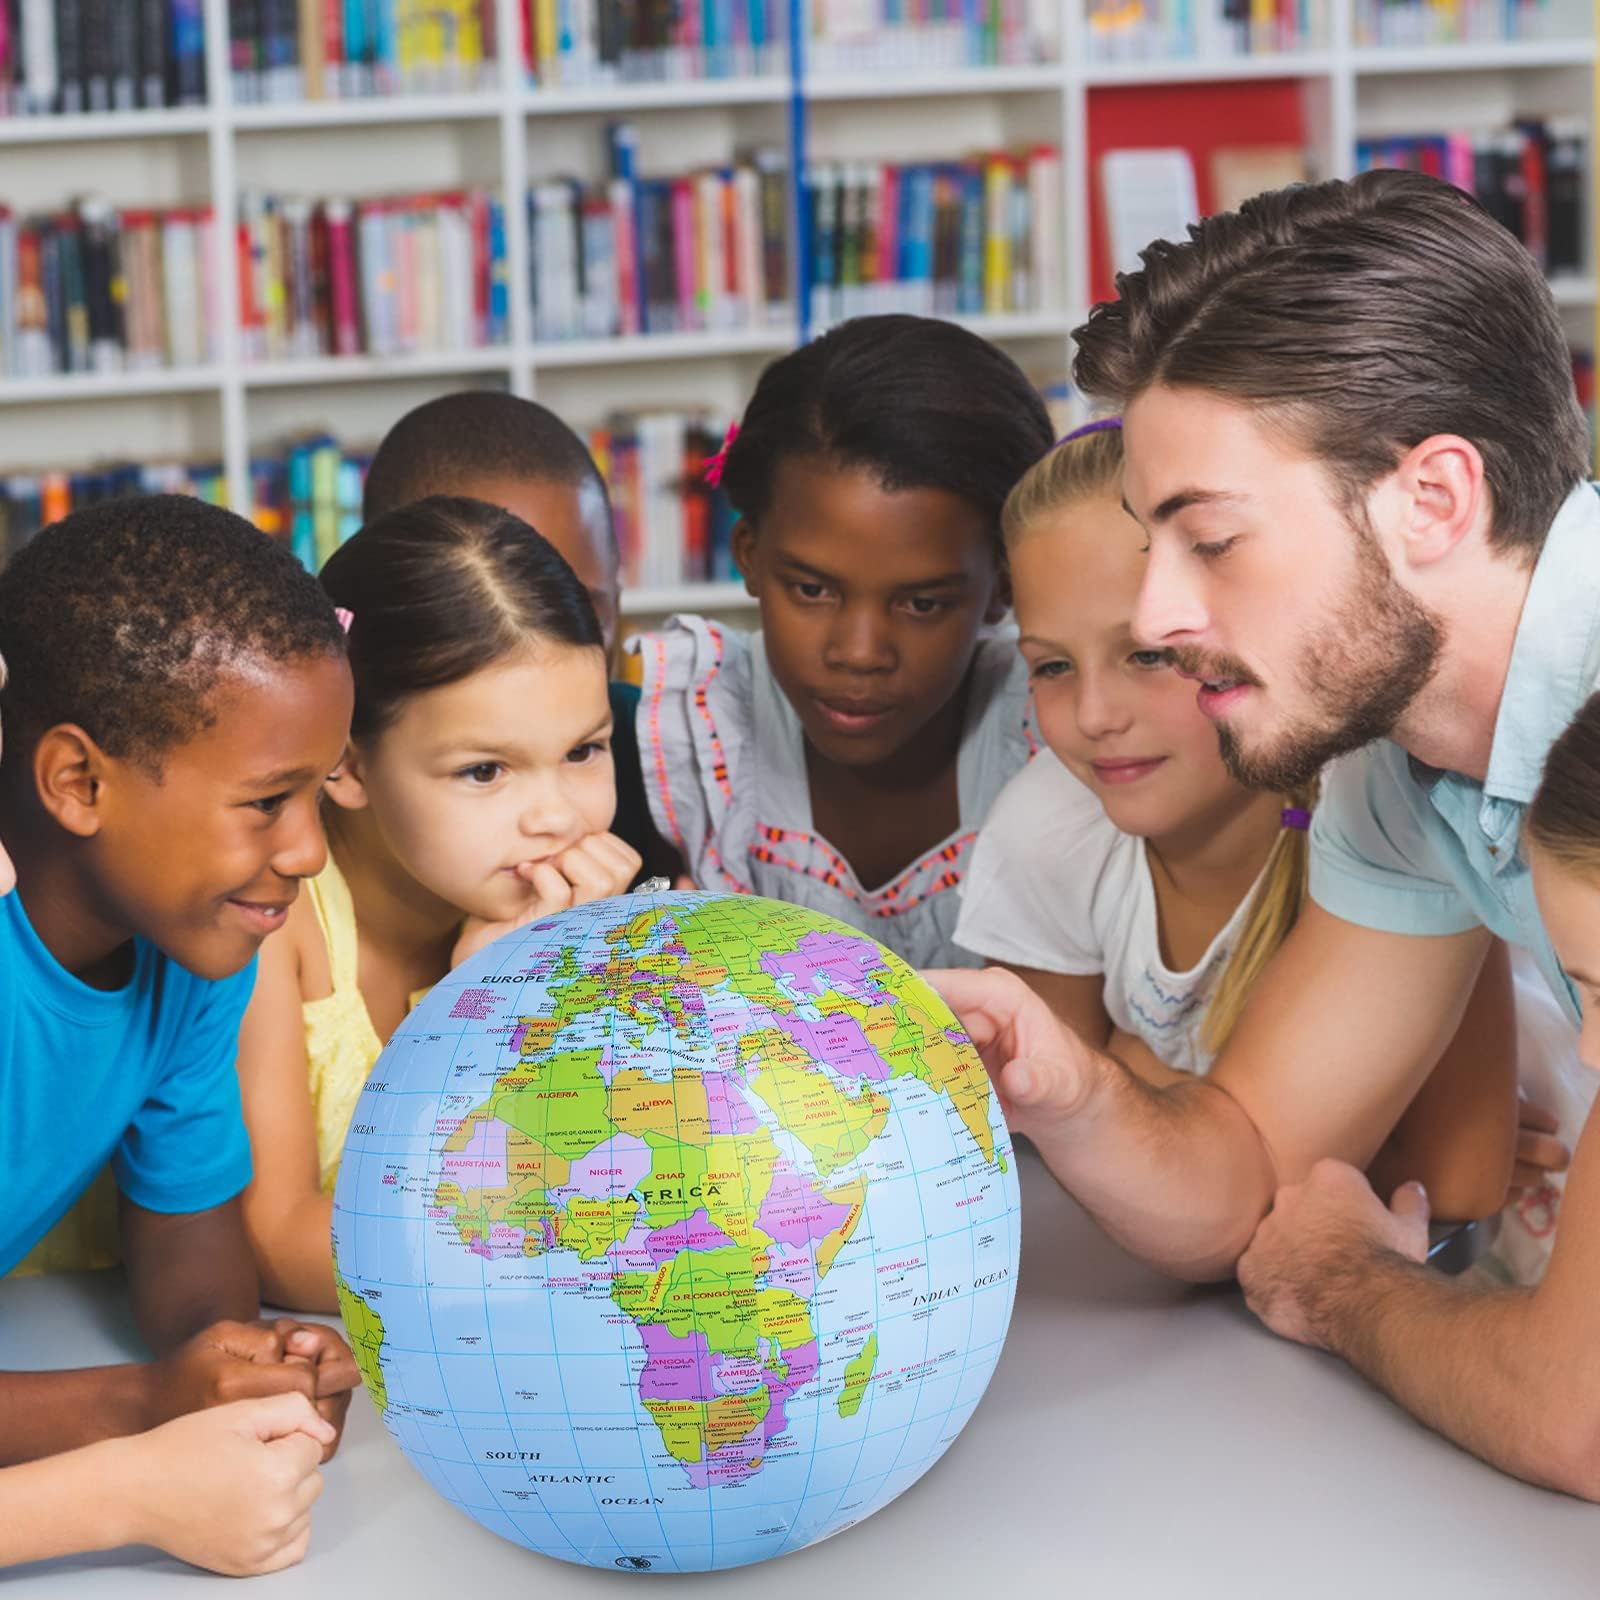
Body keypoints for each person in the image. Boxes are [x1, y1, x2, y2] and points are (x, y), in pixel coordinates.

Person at [929, 169, 1600, 1494]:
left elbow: (1577, 1417)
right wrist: (1078, 1095)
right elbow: (1248, 1171)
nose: (1165, 616)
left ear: (1433, 500)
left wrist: (1349, 1282)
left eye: (1213, 542)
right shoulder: (1401, 767)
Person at [954, 419, 1522, 1218]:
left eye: (1148, 656)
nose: (1093, 715)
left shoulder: (1387, 804)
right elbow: (1049, 1134)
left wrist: (1142, 1082)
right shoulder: (1046, 828)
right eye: (1051, 666)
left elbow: (1454, 1182)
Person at [0, 497, 359, 1462]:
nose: (311, 854)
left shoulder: (198, 952)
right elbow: (147, 1400)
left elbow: (186, 1242)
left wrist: (238, 1361)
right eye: (268, 801)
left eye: (320, 792)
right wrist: (146, 1405)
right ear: (78, 781)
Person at [236, 497, 639, 1314]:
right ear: (345, 765)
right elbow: (274, 1248)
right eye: (485, 771)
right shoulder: (273, 923)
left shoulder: (591, 919)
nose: (557, 815)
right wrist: (479, 1019)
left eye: (583, 751)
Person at [632, 313, 1055, 968]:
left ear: (1005, 585)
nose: (860, 653)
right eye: (811, 591)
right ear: (749, 554)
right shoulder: (696, 739)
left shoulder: (1052, 734)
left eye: (922, 604)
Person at [360, 390, 677, 884]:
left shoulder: (663, 755)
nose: (528, 633)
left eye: (570, 605)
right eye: (470, 606)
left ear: (618, 594)